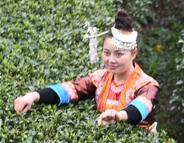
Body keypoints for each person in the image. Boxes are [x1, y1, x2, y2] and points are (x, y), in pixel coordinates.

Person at [13, 10, 159, 131]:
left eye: (118, 54)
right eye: (106, 53)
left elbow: (141, 107)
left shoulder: (147, 85)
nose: (111, 60)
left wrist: (119, 116)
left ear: (133, 53)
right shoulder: (101, 78)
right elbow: (71, 89)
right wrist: (33, 96)